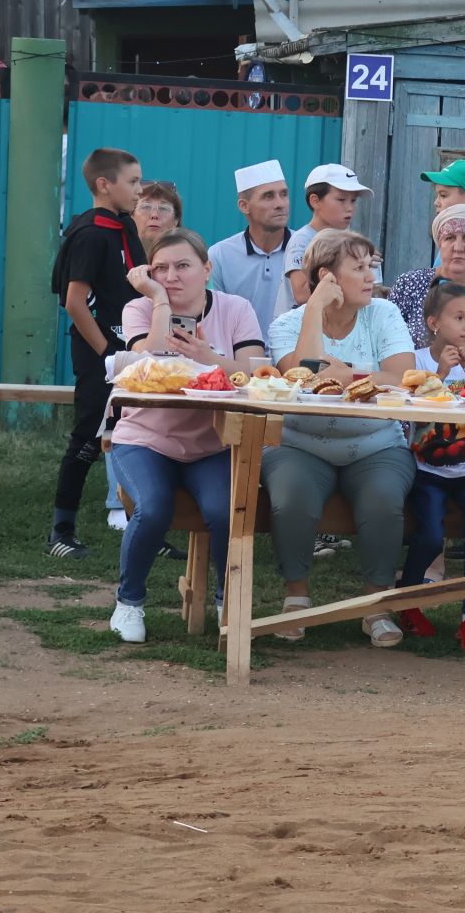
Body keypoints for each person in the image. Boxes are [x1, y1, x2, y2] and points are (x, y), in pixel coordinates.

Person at [105, 230, 269, 642]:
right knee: (153, 508)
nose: (171, 276)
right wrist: (159, 300)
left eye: (183, 266)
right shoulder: (139, 308)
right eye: (160, 268)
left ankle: (223, 599)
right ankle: (129, 602)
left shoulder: (235, 309)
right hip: (145, 436)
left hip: (211, 443)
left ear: (207, 269)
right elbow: (145, 363)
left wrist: (207, 356)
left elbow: (253, 373)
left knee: (223, 511)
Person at [262, 230, 417, 648]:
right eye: (359, 268)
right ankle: (296, 599)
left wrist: (350, 374)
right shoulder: (287, 323)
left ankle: (376, 605)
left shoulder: (383, 312)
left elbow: (403, 374)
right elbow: (301, 377)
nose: (371, 276)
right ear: (327, 276)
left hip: (377, 443)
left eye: (372, 266)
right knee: (291, 496)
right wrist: (313, 309)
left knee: (384, 498)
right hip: (300, 443)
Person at [48, 146, 146, 559]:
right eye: (133, 182)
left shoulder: (125, 227)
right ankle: (60, 531)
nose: (140, 190)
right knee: (88, 436)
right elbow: (74, 302)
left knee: (142, 436)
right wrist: (108, 352)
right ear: (104, 185)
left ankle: (148, 525)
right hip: (101, 354)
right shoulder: (91, 233)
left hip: (132, 348)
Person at [394, 279, 465, 654]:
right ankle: (408, 600)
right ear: (434, 322)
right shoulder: (416, 362)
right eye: (458, 317)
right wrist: (438, 371)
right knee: (431, 535)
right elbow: (413, 412)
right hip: (428, 467)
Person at [387, 204, 465, 347]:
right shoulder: (409, 285)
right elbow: (385, 339)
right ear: (440, 244)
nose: (458, 248)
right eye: (450, 238)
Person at [208, 160, 291, 337]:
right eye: (268, 196)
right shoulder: (220, 255)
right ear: (244, 206)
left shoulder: (310, 250)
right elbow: (213, 317)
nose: (280, 203)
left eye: (284, 194)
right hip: (239, 359)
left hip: (297, 359)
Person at [281, 163, 375, 314]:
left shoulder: (355, 243)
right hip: (300, 330)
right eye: (341, 200)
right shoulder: (302, 240)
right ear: (315, 201)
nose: (349, 207)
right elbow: (301, 294)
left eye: (353, 201)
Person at [133, 180, 182, 255]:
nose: (154, 215)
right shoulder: (114, 254)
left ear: (176, 220)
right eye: (146, 207)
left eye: (163, 208)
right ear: (131, 217)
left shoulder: (188, 259)